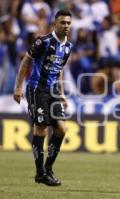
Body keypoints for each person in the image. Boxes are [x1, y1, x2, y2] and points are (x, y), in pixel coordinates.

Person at [13, 10, 73, 186]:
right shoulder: (43, 41)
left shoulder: (68, 46)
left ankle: (47, 169)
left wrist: (61, 93)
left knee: (61, 129)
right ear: (55, 24)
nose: (66, 26)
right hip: (36, 89)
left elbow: (59, 69)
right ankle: (40, 173)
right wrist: (18, 87)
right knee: (41, 129)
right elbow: (26, 60)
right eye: (62, 22)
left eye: (68, 23)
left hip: (53, 91)